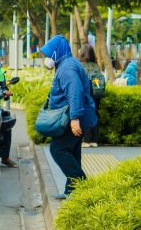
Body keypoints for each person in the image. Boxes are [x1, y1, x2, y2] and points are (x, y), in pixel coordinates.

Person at [40, 35, 97, 199]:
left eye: (50, 54)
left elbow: (75, 94)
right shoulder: (66, 64)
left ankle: (82, 184)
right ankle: (72, 190)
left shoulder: (67, 68)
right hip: (69, 116)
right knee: (72, 152)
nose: (47, 58)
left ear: (57, 52)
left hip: (70, 118)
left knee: (58, 149)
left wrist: (74, 119)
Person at [78, 44, 102, 148]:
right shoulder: (96, 65)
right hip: (97, 93)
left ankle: (86, 140)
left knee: (86, 114)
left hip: (86, 92)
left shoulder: (80, 65)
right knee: (94, 114)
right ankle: (94, 140)